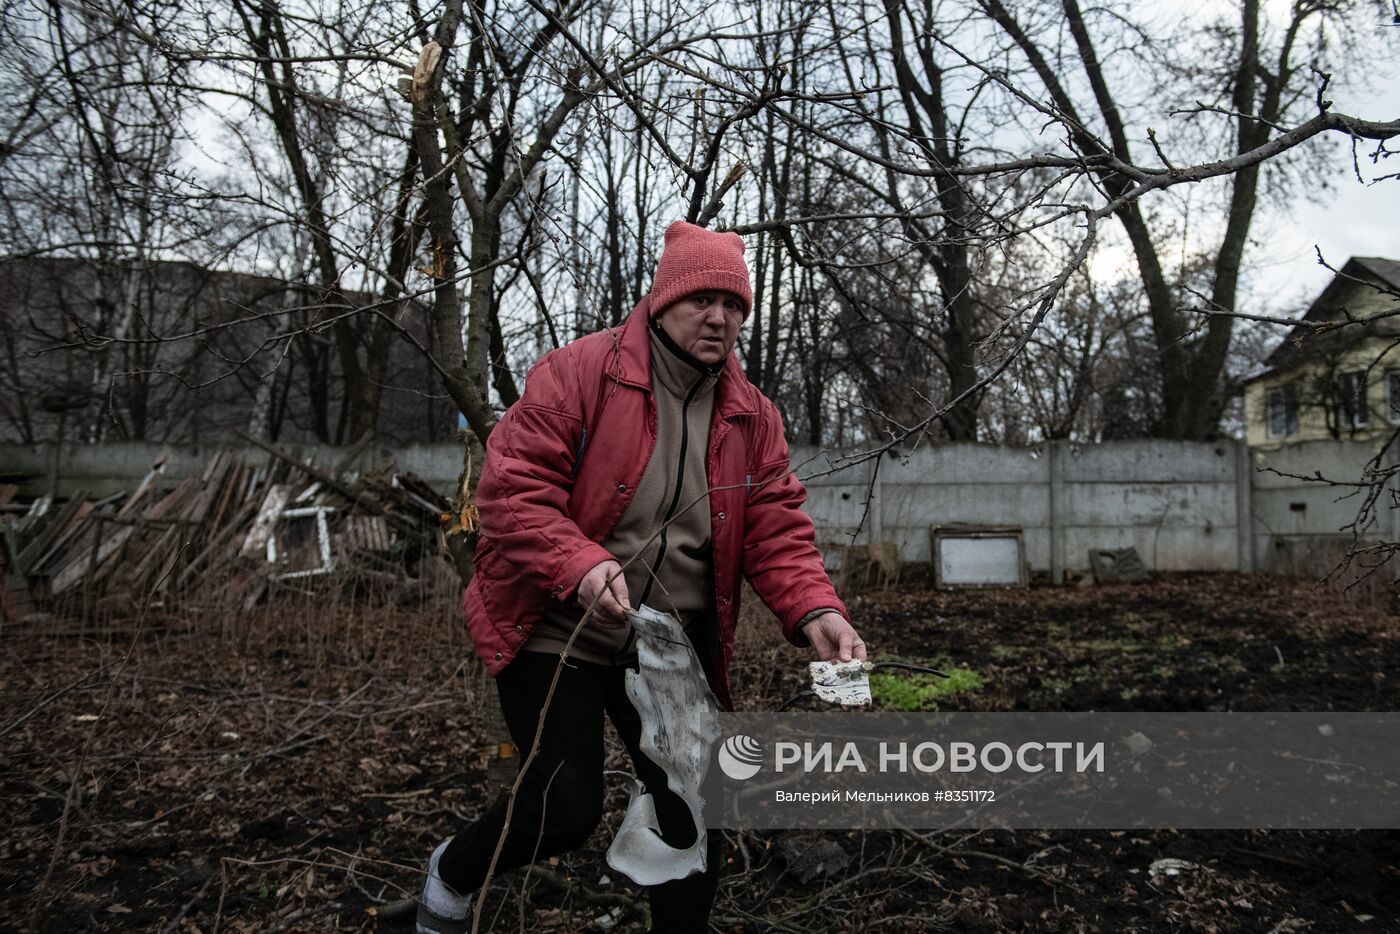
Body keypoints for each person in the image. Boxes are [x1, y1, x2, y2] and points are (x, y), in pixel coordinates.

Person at [416, 220, 869, 933]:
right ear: (663, 301)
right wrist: (582, 564)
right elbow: (511, 490)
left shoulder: (752, 417)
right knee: (563, 806)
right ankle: (450, 876)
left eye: (734, 305)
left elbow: (776, 527)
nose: (719, 318)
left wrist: (816, 609)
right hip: (556, 624)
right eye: (702, 300)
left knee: (694, 807)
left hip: (666, 642)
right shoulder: (579, 374)